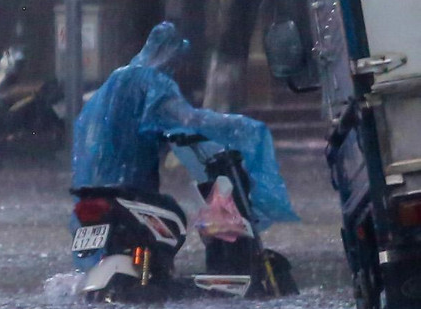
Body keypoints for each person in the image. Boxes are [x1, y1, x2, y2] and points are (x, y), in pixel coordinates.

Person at [71, 21, 297, 228]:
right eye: (177, 57)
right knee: (169, 219)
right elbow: (187, 118)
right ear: (169, 52)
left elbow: (89, 122)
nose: (177, 66)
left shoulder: (118, 77)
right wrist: (235, 125)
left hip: (99, 176)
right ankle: (154, 269)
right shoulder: (154, 82)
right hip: (133, 178)